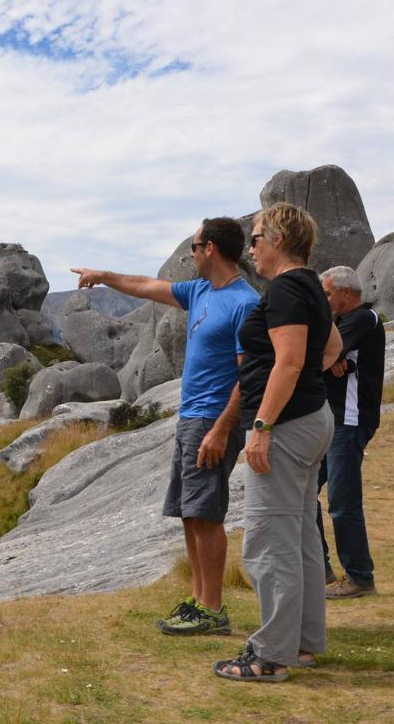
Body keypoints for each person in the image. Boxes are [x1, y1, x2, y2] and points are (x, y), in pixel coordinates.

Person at [72, 217, 258, 635]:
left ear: (210, 249)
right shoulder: (200, 291)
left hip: (212, 420)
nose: (190, 254)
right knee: (191, 513)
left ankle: (212, 609)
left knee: (207, 514)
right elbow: (143, 286)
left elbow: (250, 376)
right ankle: (198, 601)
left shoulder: (244, 303)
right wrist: (103, 276)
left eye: (194, 247)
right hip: (192, 417)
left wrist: (222, 429)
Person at [214, 202, 341, 682]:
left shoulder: (287, 289)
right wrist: (305, 385)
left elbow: (288, 362)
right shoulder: (309, 286)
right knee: (303, 536)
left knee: (270, 539)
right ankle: (302, 644)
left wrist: (263, 427)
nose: (251, 248)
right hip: (311, 418)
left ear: (279, 241)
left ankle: (270, 656)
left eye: (256, 238)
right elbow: (329, 349)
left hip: (286, 427)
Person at [317, 265, 385, 598]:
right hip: (330, 419)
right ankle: (320, 568)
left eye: (327, 293)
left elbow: (319, 355)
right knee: (302, 491)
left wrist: (331, 358)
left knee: (342, 501)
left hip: (350, 419)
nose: (323, 299)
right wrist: (332, 359)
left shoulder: (363, 319)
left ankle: (359, 577)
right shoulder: (339, 324)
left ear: (346, 293)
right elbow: (320, 352)